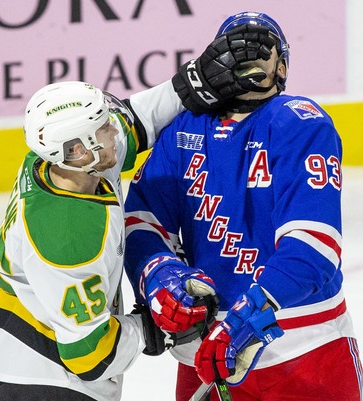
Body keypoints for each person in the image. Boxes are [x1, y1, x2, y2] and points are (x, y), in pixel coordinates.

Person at [0, 29, 264, 401]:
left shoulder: (59, 161)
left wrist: (192, 82)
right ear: (79, 152)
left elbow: (135, 121)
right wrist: (155, 330)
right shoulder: (68, 236)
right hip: (44, 383)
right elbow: (88, 355)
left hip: (14, 353)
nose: (113, 128)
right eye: (102, 126)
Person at [124, 11, 363, 401]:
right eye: (236, 48)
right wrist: (158, 274)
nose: (248, 59)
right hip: (204, 353)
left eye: (263, 49)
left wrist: (249, 315)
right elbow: (141, 220)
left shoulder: (299, 123)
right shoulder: (184, 128)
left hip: (303, 345)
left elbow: (315, 247)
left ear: (282, 66)